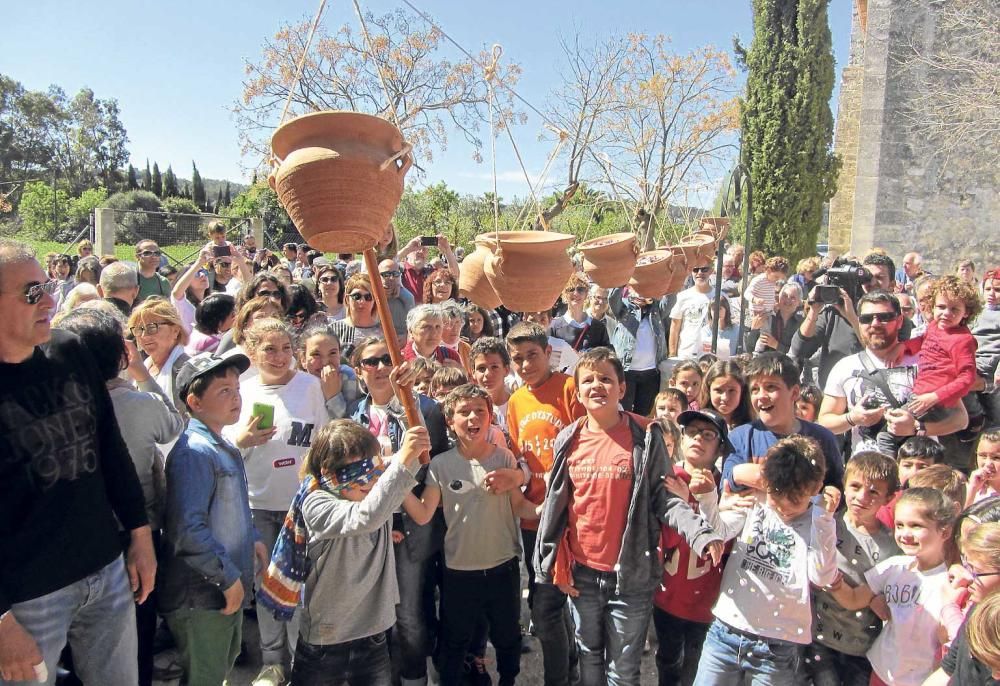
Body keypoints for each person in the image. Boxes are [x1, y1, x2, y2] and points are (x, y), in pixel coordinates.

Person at [0, 240, 155, 685]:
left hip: (106, 572)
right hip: (27, 600)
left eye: (47, 286)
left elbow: (110, 450)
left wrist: (139, 536)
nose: (50, 300)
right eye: (32, 292)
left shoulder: (69, 351)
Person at [535, 348, 724, 685]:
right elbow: (556, 506)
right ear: (578, 392)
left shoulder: (645, 436)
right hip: (583, 574)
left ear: (622, 389)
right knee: (589, 655)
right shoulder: (570, 438)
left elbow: (665, 498)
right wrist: (552, 562)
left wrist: (700, 531)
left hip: (631, 578)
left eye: (606, 379)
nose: (597, 386)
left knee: (623, 671)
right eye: (589, 380)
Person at [57, 308, 185, 686]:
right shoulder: (140, 405)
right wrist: (144, 377)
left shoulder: (55, 407)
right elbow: (174, 424)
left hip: (78, 541)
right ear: (121, 355)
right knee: (135, 635)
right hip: (137, 536)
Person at [258, 418, 430, 686]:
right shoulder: (315, 501)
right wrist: (403, 460)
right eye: (358, 471)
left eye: (374, 469)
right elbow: (366, 516)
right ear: (328, 471)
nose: (372, 479)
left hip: (373, 637)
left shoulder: (374, 490)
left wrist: (416, 443)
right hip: (325, 643)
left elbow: (404, 468)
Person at [404, 385, 537, 686]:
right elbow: (424, 513)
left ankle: (508, 680)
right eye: (464, 412)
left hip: (503, 566)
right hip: (459, 572)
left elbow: (519, 506)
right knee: (455, 640)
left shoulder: (503, 458)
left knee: (507, 637)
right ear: (450, 421)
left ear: (490, 418)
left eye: (480, 410)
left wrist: (551, 509)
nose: (473, 417)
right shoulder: (440, 464)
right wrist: (397, 482)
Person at [222, 318, 331, 686]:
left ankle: (306, 658)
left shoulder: (310, 387)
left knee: (305, 585)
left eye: (286, 348)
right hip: (257, 504)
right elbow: (222, 447)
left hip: (303, 505)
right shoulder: (242, 390)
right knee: (267, 584)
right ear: (252, 352)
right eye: (269, 349)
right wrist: (243, 439)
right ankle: (273, 661)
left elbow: (323, 441)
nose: (280, 356)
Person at [692, 436, 840, 685]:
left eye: (794, 499)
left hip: (778, 647)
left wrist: (825, 520)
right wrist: (707, 498)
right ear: (765, 481)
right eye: (775, 495)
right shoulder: (755, 501)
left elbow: (821, 576)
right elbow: (719, 532)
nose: (783, 506)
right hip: (726, 632)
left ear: (815, 489)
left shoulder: (819, 519)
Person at [346, 337, 450, 686]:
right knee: (373, 612)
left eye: (385, 360)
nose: (379, 368)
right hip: (370, 528)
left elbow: (425, 466)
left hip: (410, 525)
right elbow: (349, 475)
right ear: (359, 372)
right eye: (370, 362)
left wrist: (384, 468)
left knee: (408, 613)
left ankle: (414, 678)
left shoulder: (425, 409)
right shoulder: (352, 416)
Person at [159, 352, 267, 686]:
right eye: (224, 390)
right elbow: (187, 530)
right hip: (202, 597)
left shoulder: (217, 444)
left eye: (236, 388)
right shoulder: (194, 452)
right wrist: (228, 579)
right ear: (194, 401)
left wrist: (253, 539)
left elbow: (225, 508)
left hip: (217, 592)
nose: (236, 397)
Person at [505, 322, 585, 686]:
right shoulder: (517, 401)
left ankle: (560, 677)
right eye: (517, 359)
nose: (524, 365)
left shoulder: (569, 389)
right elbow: (518, 455)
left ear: (548, 353)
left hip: (567, 517)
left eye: (531, 355)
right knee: (548, 602)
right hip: (532, 518)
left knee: (547, 607)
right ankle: (567, 667)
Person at [827, 488, 955, 686]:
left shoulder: (950, 582)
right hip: (882, 671)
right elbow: (853, 599)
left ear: (944, 531)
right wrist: (832, 581)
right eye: (900, 525)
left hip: (923, 679)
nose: (905, 533)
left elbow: (948, 644)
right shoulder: (894, 566)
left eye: (915, 525)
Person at [818, 290, 970, 456]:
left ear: (899, 321)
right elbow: (825, 421)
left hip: (918, 468)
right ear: (859, 323)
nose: (875, 323)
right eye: (867, 318)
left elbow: (960, 419)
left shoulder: (926, 359)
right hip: (867, 470)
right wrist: (853, 418)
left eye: (884, 317)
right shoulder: (845, 367)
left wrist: (917, 428)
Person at [804, 451, 900, 686]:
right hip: (815, 637)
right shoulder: (826, 523)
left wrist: (831, 581)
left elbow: (861, 597)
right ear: (844, 485)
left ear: (888, 498)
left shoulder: (891, 546)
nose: (861, 497)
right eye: (855, 486)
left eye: (874, 492)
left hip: (860, 645)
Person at [653, 409, 734, 686]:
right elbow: (666, 539)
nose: (698, 438)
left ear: (720, 447)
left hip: (707, 604)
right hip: (668, 597)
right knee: (667, 662)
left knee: (696, 671)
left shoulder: (728, 487)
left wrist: (697, 501)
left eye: (708, 434)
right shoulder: (667, 478)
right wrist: (685, 504)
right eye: (692, 432)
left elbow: (724, 546)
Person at [724, 352, 845, 494]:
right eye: (754, 390)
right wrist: (738, 474)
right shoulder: (740, 437)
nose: (761, 396)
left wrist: (829, 495)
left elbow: (838, 489)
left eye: (770, 387)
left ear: (794, 393)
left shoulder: (822, 438)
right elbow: (726, 486)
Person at [791, 253, 911, 387]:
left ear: (892, 285)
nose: (871, 283)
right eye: (867, 277)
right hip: (833, 398)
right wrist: (813, 311)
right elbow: (799, 350)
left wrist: (853, 318)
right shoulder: (835, 313)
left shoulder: (898, 321)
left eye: (879, 278)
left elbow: (883, 358)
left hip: (875, 397)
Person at [890, 274, 981, 448]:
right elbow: (925, 339)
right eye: (941, 307)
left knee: (889, 436)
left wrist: (935, 397)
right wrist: (904, 347)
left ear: (966, 312)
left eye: (954, 309)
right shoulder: (934, 326)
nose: (946, 313)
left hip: (935, 399)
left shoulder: (963, 339)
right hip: (922, 394)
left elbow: (967, 377)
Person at [609, 286, 673, 415]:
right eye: (638, 290)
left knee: (644, 412)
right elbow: (612, 298)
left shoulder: (656, 310)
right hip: (626, 372)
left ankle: (640, 435)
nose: (642, 294)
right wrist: (623, 280)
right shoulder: (624, 309)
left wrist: (671, 281)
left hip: (650, 373)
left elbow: (670, 300)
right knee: (623, 411)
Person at [128, 298, 190, 419]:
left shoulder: (186, 370)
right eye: (138, 330)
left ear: (175, 330)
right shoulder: (142, 365)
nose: (144, 336)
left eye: (151, 328)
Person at [295, 321, 359, 420]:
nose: (325, 362)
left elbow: (349, 426)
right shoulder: (294, 384)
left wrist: (333, 396)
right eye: (316, 354)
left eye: (332, 353)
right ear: (303, 358)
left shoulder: (351, 379)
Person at [549, 274, 612, 353]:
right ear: (565, 294)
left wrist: (586, 355)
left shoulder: (599, 327)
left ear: (586, 295)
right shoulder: (555, 327)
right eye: (571, 289)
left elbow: (607, 356)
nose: (576, 293)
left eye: (580, 289)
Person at [328, 273, 384, 357]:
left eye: (368, 297)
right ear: (347, 299)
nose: (362, 301)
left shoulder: (384, 331)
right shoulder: (333, 330)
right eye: (356, 296)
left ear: (374, 301)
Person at [670, 264, 714, 360]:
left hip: (712, 354)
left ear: (711, 270)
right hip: (686, 354)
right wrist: (672, 354)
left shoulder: (720, 296)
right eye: (696, 270)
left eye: (704, 269)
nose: (699, 273)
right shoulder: (682, 296)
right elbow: (675, 326)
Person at [750, 282, 804, 355]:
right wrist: (754, 329)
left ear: (799, 302)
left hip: (789, 364)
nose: (788, 300)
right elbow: (750, 347)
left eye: (792, 298)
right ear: (779, 298)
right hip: (765, 363)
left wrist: (777, 345)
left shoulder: (802, 323)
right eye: (785, 296)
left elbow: (801, 353)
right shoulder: (767, 317)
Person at [402, 303, 462, 367]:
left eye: (438, 326)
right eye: (427, 327)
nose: (434, 333)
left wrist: (460, 373)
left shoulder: (451, 356)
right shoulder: (400, 359)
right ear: (411, 331)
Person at [169, 247, 213, 333]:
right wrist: (199, 263)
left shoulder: (213, 301)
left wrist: (239, 260)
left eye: (204, 271)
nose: (202, 275)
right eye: (197, 273)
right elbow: (176, 293)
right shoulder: (183, 305)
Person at [699, 360, 753, 430]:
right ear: (709, 390)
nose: (725, 398)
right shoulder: (697, 424)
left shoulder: (752, 430)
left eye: (731, 391)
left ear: (742, 391)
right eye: (718, 390)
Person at [744, 256, 789, 330]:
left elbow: (769, 294)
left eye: (780, 278)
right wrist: (755, 299)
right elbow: (746, 293)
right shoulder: (759, 280)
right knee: (762, 332)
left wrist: (773, 302)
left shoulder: (772, 282)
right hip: (757, 312)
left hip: (768, 312)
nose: (777, 280)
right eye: (776, 277)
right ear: (768, 271)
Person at [378, 258, 413, 340]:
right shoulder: (367, 296)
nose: (391, 278)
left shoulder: (407, 298)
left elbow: (411, 330)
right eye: (386, 274)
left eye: (395, 274)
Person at [966, 428, 1000, 507]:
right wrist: (972, 489)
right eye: (982, 456)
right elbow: (961, 519)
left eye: (996, 458)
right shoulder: (967, 490)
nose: (988, 463)